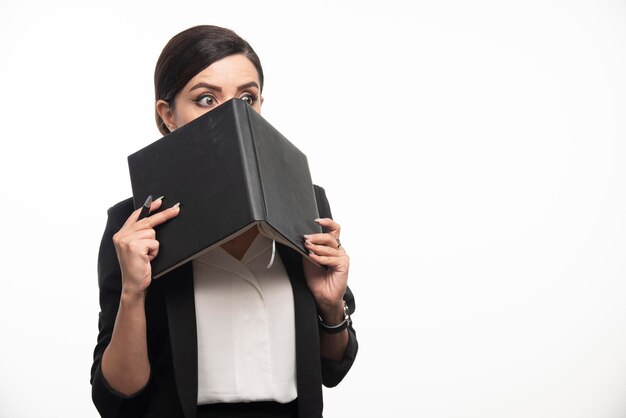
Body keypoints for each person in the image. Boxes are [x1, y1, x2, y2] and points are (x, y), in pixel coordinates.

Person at [91, 25, 358, 418]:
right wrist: (134, 291)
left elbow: (333, 368)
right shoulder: (132, 227)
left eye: (246, 98)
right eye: (205, 98)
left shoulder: (304, 201)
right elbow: (115, 399)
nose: (232, 113)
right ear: (169, 115)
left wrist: (331, 306)